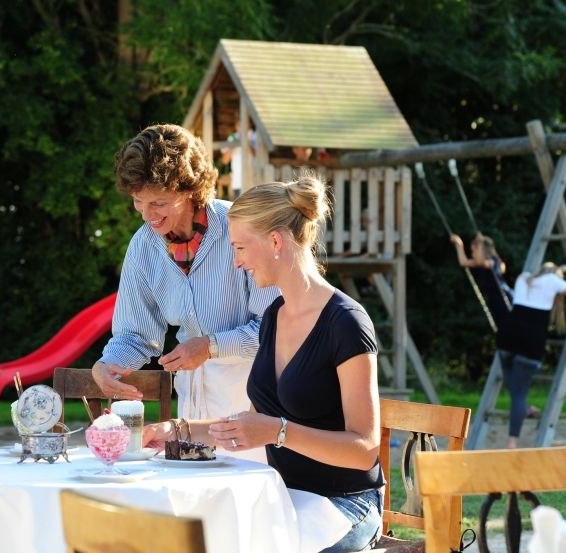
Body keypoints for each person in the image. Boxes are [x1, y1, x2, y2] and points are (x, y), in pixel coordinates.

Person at [143, 175, 384, 552]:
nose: (237, 262)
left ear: (275, 242)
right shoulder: (274, 316)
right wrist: (178, 430)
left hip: (345, 504)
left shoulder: (346, 323)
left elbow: (365, 448)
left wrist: (278, 432)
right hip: (282, 497)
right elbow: (253, 424)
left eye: (240, 248)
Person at [91, 123, 277, 463]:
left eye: (159, 202)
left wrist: (211, 346)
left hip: (256, 402)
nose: (147, 215)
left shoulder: (242, 229)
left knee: (254, 491)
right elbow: (135, 334)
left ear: (189, 190)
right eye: (138, 201)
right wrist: (108, 365)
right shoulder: (143, 247)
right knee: (196, 490)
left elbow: (278, 331)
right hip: (192, 406)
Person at [496, 262, 566, 448]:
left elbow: (545, 276)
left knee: (515, 391)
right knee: (519, 394)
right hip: (529, 341)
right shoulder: (553, 280)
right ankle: (512, 442)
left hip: (507, 338)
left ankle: (524, 409)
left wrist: (559, 270)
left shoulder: (524, 278)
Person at [450, 232, 513, 328]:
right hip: (495, 301)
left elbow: (485, 262)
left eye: (474, 251)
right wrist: (459, 245)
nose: (472, 254)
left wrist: (480, 244)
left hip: (504, 299)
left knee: (509, 325)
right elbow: (463, 262)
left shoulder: (492, 262)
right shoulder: (481, 263)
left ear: (482, 251)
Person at [220, 120, 256, 199]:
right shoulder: (232, 138)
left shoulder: (254, 136)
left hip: (253, 182)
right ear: (236, 126)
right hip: (237, 183)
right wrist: (233, 145)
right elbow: (225, 161)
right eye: (239, 124)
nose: (241, 127)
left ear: (249, 124)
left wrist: (245, 141)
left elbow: (256, 156)